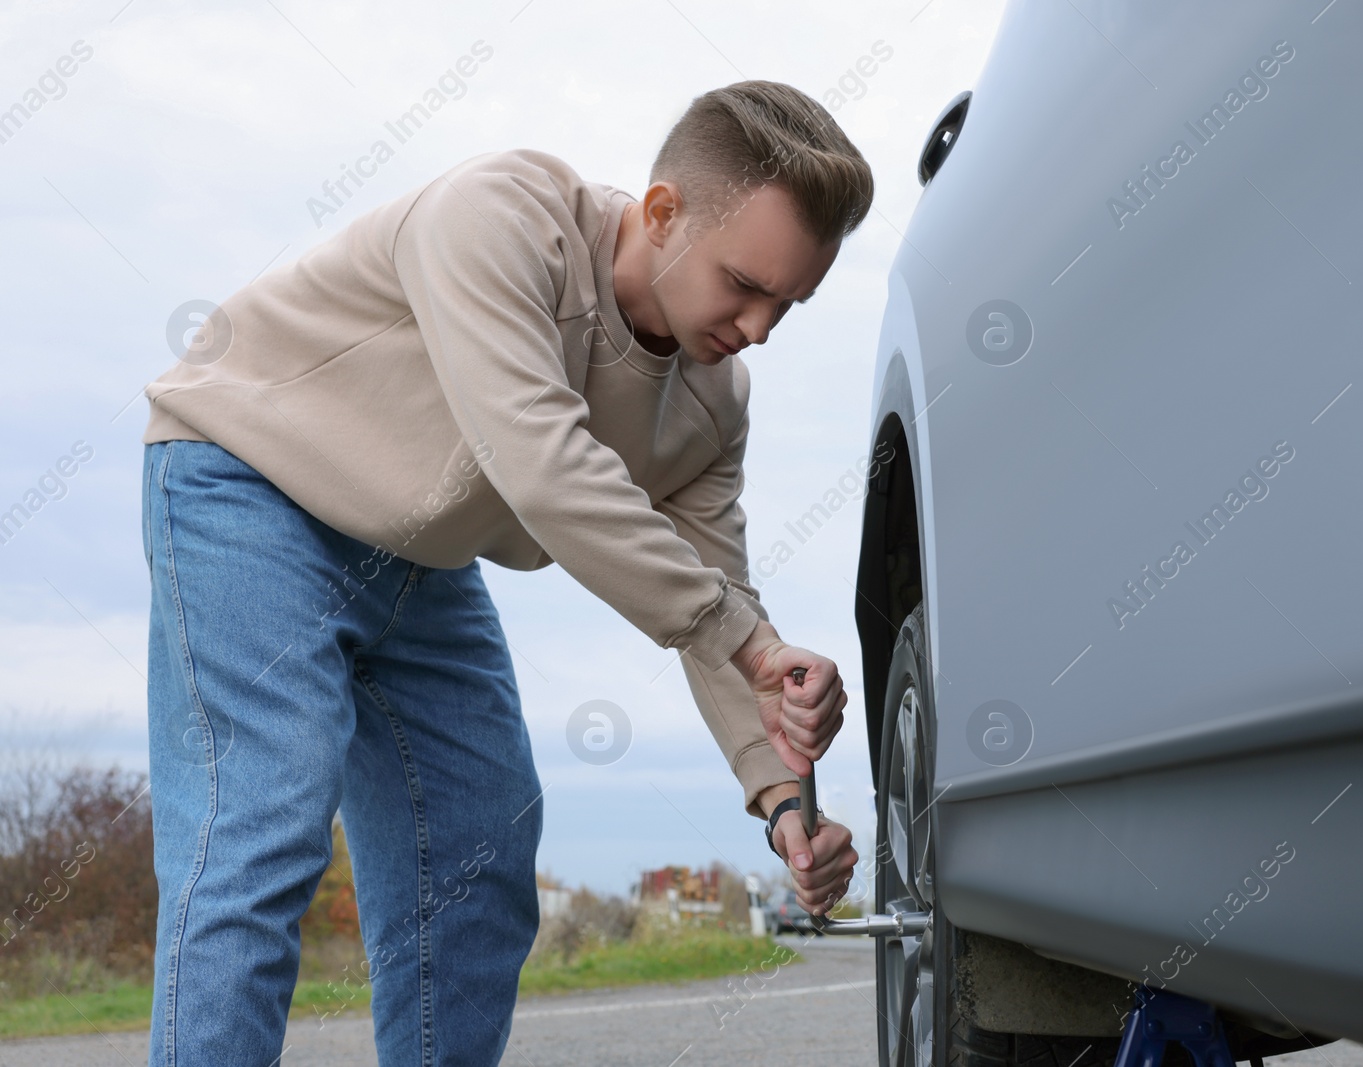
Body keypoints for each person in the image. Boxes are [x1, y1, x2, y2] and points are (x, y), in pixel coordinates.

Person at [138, 79, 869, 1066]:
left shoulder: (712, 402)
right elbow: (541, 461)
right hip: (247, 481)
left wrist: (786, 800)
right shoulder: (501, 219)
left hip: (414, 555)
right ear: (662, 213)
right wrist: (747, 639)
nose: (759, 328)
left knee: (481, 846)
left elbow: (718, 602)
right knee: (260, 832)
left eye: (789, 302)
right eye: (744, 283)